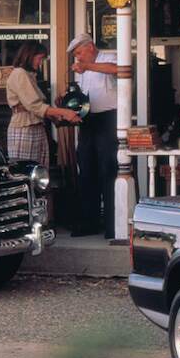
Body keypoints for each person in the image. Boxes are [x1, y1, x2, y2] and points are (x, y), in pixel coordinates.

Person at [67, 33, 119, 238]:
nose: (78, 58)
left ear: (90, 47)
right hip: (88, 120)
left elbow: (118, 71)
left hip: (108, 119)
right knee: (86, 170)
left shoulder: (108, 57)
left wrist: (88, 67)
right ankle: (89, 222)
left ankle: (112, 225)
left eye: (79, 53)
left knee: (108, 169)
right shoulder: (82, 68)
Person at [5, 42, 80, 167]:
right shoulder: (19, 73)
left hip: (37, 128)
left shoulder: (30, 75)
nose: (40, 63)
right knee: (26, 171)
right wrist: (65, 112)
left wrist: (56, 120)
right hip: (24, 129)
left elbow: (37, 107)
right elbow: (34, 106)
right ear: (29, 56)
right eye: (39, 58)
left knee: (40, 173)